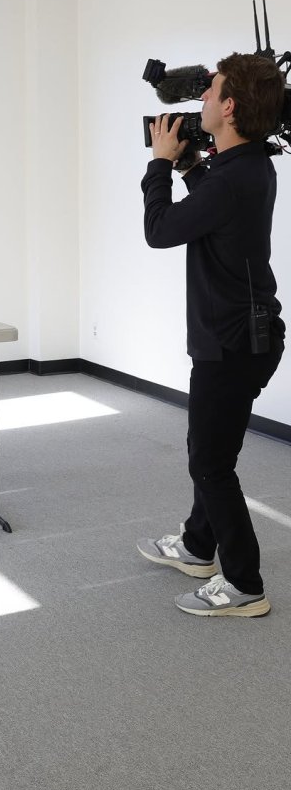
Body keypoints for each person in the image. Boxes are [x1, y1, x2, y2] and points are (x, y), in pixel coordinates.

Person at [137, 52, 286, 616]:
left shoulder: (233, 177)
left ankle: (244, 584)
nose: (197, 103)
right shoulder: (247, 166)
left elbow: (160, 230)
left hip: (231, 345)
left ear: (228, 106)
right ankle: (199, 546)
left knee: (210, 463)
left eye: (208, 93)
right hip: (245, 336)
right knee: (215, 449)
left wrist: (158, 164)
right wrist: (187, 165)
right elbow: (212, 202)